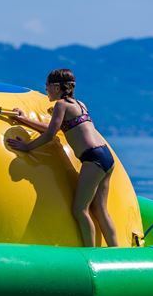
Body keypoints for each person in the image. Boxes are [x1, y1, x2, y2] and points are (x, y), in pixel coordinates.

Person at [6, 69, 118, 246]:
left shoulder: (61, 105)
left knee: (80, 209)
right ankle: (116, 253)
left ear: (57, 87)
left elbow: (50, 135)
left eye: (48, 86)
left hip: (93, 159)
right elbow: (54, 128)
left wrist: (27, 147)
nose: (46, 89)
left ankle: (90, 254)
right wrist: (24, 120)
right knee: (100, 209)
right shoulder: (79, 104)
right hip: (105, 156)